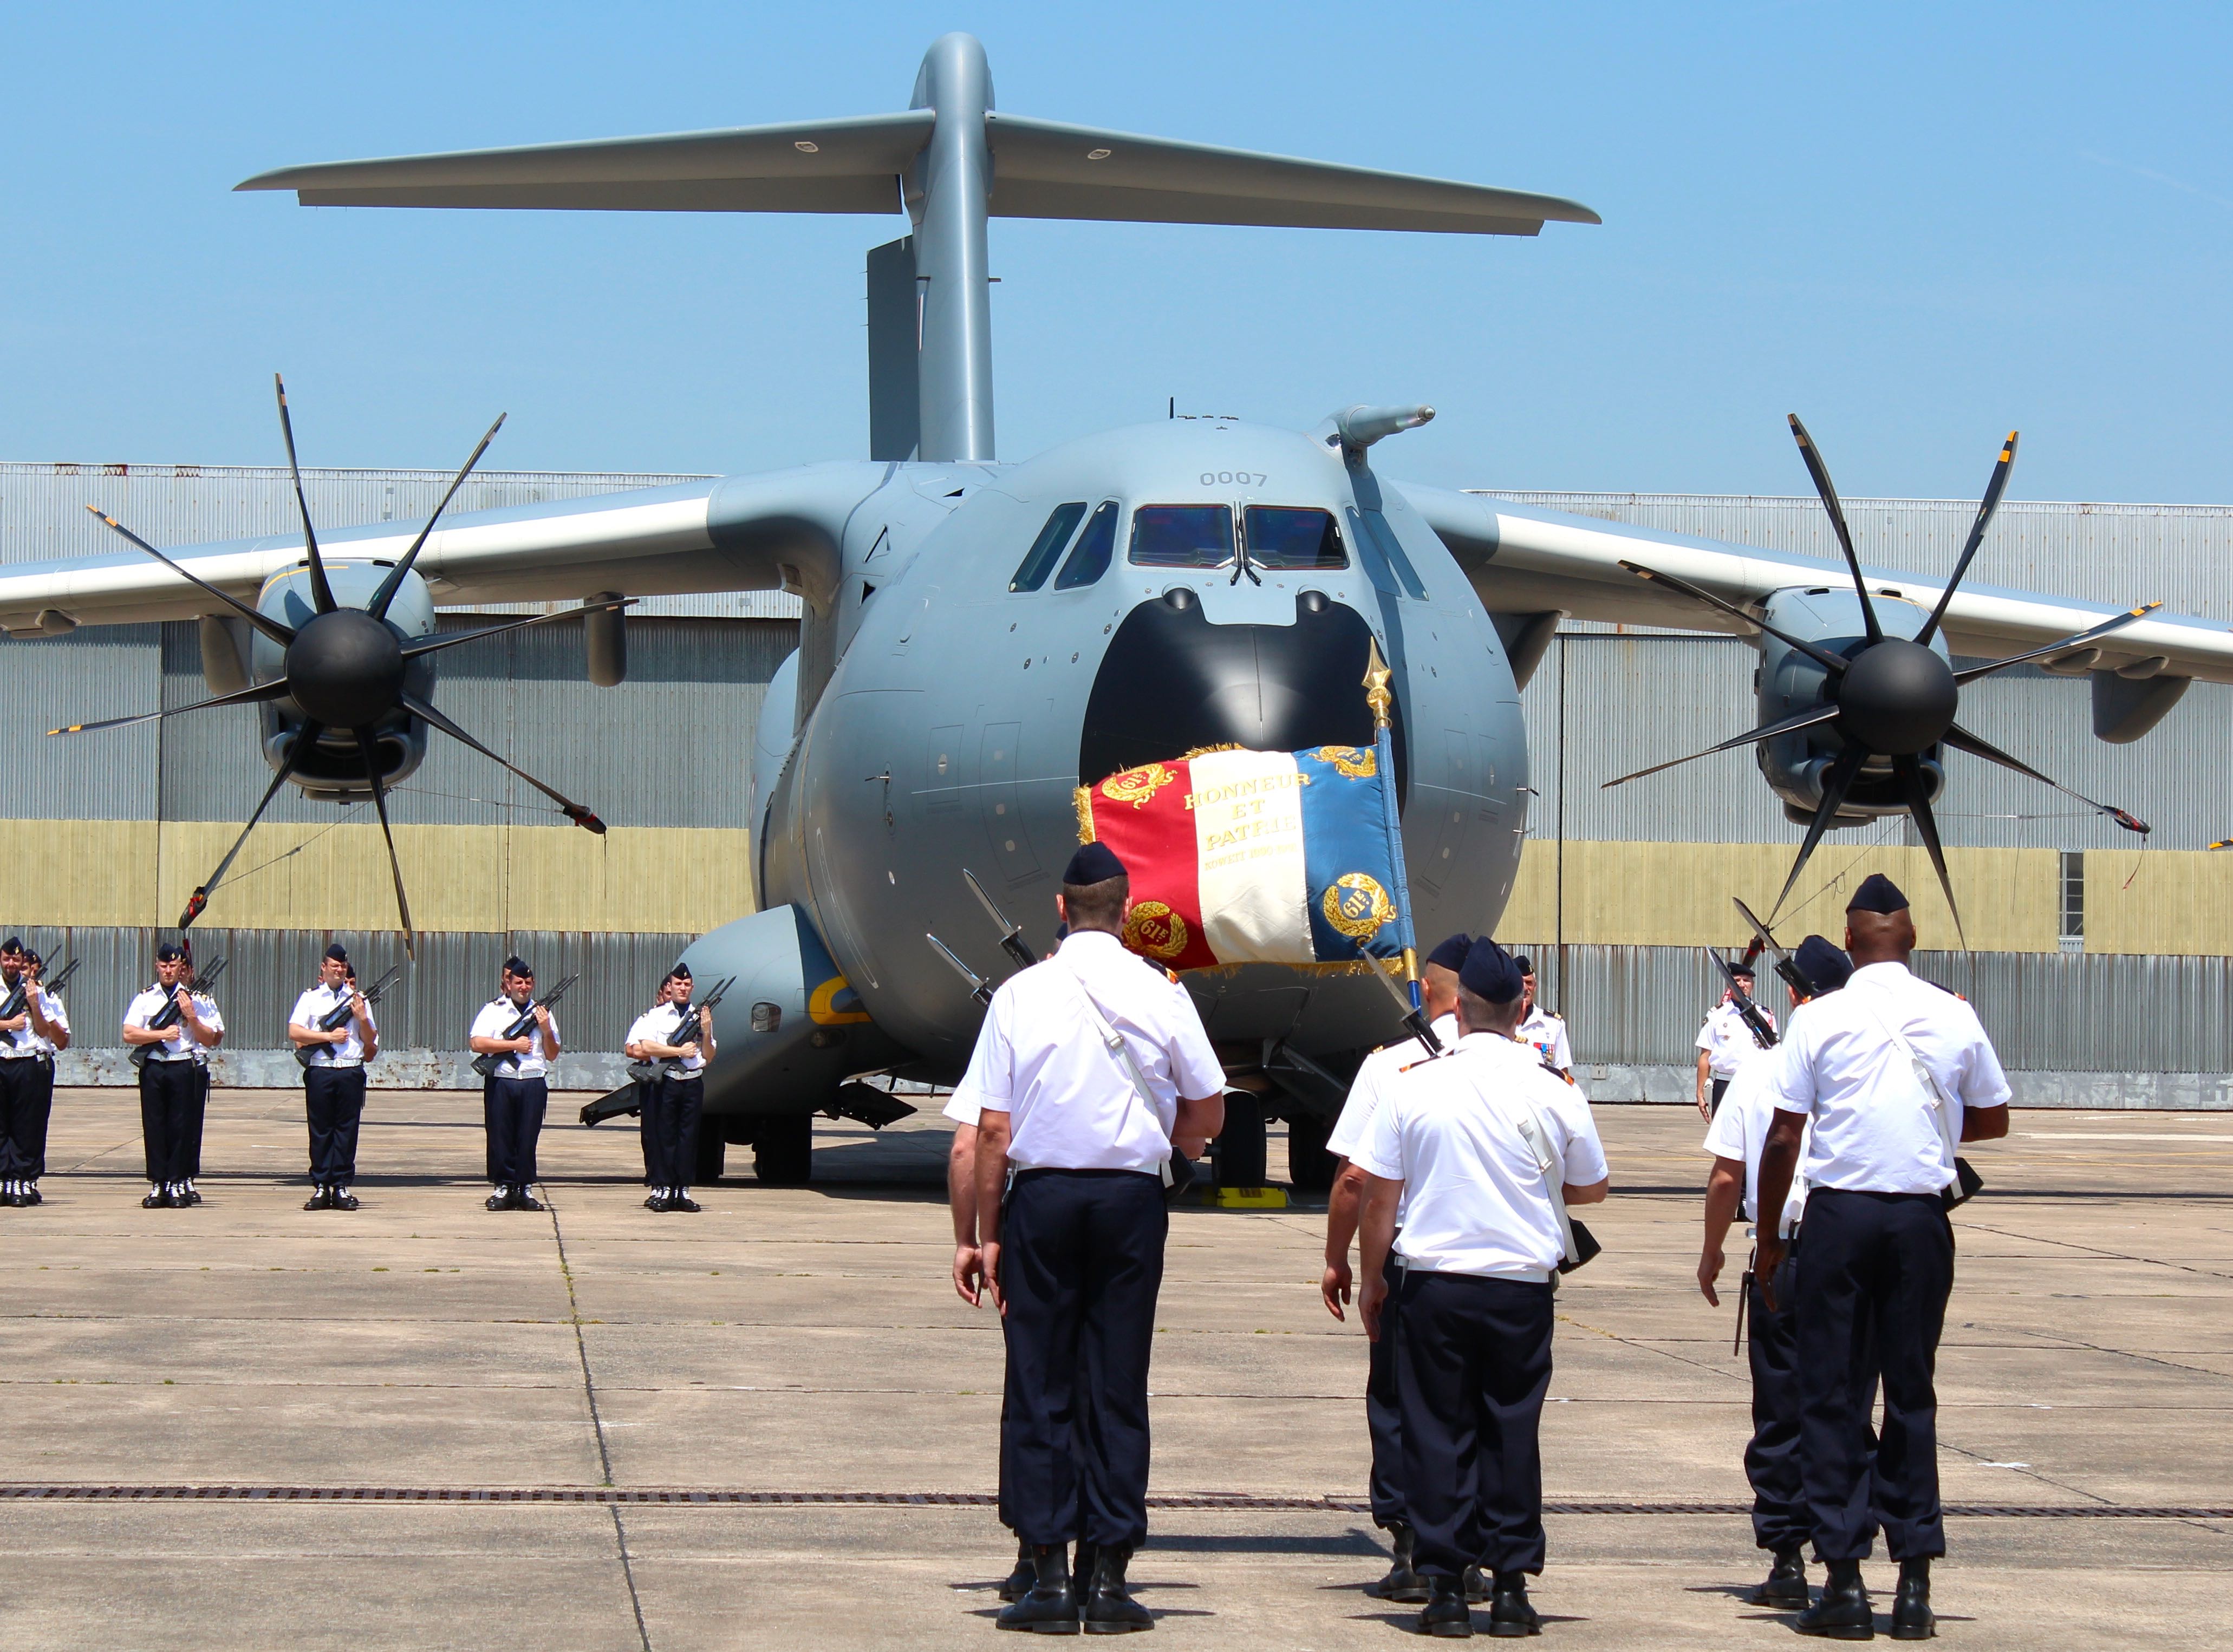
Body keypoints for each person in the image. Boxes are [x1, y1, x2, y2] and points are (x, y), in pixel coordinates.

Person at [972, 841, 1226, 1634]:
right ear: (1125, 909)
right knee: (1116, 1378)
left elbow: (989, 1126)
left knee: (1040, 1377)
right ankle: (1109, 1576)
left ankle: (1046, 1573)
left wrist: (982, 1233)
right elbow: (1208, 1111)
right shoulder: (1160, 991)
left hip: (1043, 1195)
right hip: (1127, 1198)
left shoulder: (1020, 993)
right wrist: (1167, 1140)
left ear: (1059, 908)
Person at [1753, 874, 2011, 1640]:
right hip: (1918, 1217)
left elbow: (1780, 1136)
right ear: (1908, 936)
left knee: (1831, 1394)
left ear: (1849, 937)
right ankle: (1915, 1583)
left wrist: (1768, 1240)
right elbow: (1992, 1116)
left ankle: (1840, 1577)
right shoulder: (1950, 1011)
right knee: (1911, 1392)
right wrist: (1920, 1129)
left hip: (1838, 1214)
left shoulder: (1818, 1016)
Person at [1356, 936, 1609, 1638]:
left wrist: (1372, 1280)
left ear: (1457, 1009)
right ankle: (1510, 1585)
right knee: (1510, 1427)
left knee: (1436, 1430)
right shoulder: (1553, 1087)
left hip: (1433, 1284)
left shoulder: (1411, 1081)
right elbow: (1590, 1186)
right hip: (1519, 1288)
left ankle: (1441, 1585)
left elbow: (1378, 1198)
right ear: (1519, 1007)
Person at [1697, 935, 1852, 1610]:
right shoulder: (1869, 1062)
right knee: (1846, 1404)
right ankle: (1844, 1556)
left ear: (1793, 996)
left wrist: (1712, 1252)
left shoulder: (1763, 1071)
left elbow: (1728, 1174)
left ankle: (1786, 1555)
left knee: (1781, 1407)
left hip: (1781, 1248)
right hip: (1847, 1250)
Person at [1322, 931, 1473, 1604]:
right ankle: (1472, 1550)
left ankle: (1410, 1545)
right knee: (1478, 1409)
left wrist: (1342, 1262)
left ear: (1432, 994)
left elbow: (1356, 1180)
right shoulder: (1527, 1066)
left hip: (1417, 1266)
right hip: (1501, 1270)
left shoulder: (1392, 1067)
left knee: (1399, 1404)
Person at [122, 941, 224, 1209]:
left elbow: (210, 1039)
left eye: (173, 966)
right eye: (164, 965)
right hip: (155, 1066)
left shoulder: (196, 1000)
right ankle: (159, 1184)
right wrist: (160, 1035)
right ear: (157, 966)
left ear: (182, 968)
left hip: (183, 1066)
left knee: (182, 1127)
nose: (168, 971)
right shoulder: (145, 998)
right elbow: (129, 1033)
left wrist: (191, 1017)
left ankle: (178, 1182)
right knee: (155, 1126)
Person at [288, 944, 379, 1212]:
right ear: (324, 968)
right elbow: (295, 1031)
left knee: (346, 1131)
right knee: (320, 1130)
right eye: (334, 966)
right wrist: (328, 1037)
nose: (339, 971)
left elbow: (370, 1039)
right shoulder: (311, 998)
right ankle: (321, 1186)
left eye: (343, 967)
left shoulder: (358, 998)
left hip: (349, 1069)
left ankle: (341, 1185)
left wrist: (362, 1018)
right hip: (321, 1069)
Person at [471, 956, 559, 1212]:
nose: (524, 987)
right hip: (503, 1080)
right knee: (501, 1136)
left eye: (528, 982)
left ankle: (525, 1188)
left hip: (532, 1081)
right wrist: (513, 1045)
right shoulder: (494, 1010)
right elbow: (477, 1043)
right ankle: (503, 1187)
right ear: (508, 983)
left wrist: (546, 1030)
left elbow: (552, 1053)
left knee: (528, 1137)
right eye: (518, 982)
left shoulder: (543, 1014)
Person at [624, 964, 713, 1213]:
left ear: (692, 987)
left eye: (687, 985)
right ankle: (662, 1188)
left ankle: (682, 1190)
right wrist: (678, 1052)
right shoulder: (657, 1016)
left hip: (693, 1081)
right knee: (664, 1137)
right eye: (678, 984)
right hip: (668, 1081)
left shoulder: (699, 1016)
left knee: (689, 1137)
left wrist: (706, 1033)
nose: (682, 988)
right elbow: (646, 1047)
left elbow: (709, 1055)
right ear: (670, 988)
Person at [0, 943, 71, 1207]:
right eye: (7, 959)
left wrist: (34, 1005)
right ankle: (3, 1179)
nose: (12, 965)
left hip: (27, 1063)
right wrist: (7, 1025)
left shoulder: (39, 993)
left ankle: (21, 1179)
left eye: (16, 960)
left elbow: (48, 1034)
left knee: (26, 1127)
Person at [1696, 963, 1771, 1118]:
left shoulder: (1765, 1016)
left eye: (1747, 980)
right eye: (1737, 980)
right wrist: (1700, 1091)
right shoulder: (1717, 1015)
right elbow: (1705, 1055)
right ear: (1729, 985)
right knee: (1722, 1139)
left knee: (1755, 1137)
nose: (1742, 985)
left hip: (1756, 1085)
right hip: (1725, 1084)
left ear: (1753, 985)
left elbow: (1773, 1054)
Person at [1512, 955, 1572, 1080]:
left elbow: (1562, 1071)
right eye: (1519, 982)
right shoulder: (1499, 1022)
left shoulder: (1553, 1024)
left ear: (1535, 986)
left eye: (1529, 983)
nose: (1525, 988)